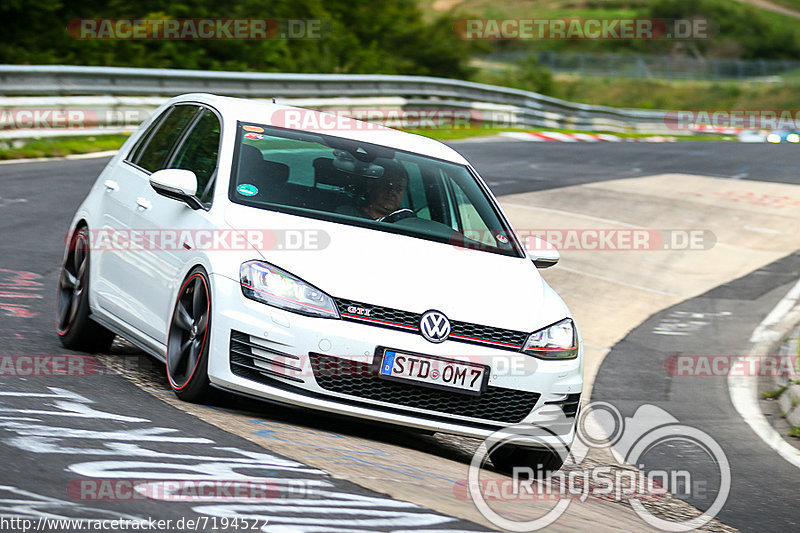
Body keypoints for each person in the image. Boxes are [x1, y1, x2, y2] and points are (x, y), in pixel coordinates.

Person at [337, 163, 411, 221]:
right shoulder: (348, 214)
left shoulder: (407, 221)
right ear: (371, 186)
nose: (392, 192)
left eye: (399, 189)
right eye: (388, 186)